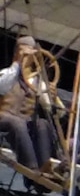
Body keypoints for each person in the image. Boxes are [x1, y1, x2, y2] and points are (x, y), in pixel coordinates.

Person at [0, 36, 58, 171]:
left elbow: (54, 111)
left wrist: (53, 98)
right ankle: (31, 168)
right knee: (17, 123)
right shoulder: (6, 73)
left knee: (42, 124)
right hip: (3, 118)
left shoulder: (37, 83)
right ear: (16, 53)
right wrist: (17, 63)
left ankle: (44, 167)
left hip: (24, 124)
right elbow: (2, 87)